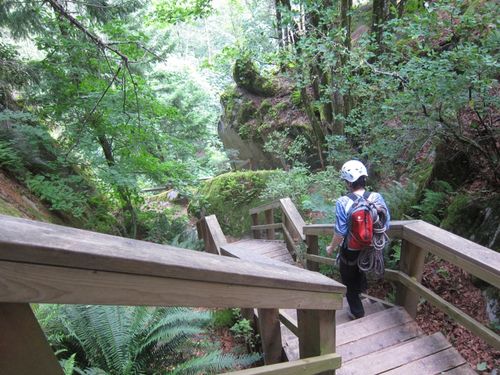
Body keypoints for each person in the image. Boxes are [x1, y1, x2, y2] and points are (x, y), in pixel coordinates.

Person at [326, 160, 390, 319]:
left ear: (348, 182)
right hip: (372, 248)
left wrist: (331, 248)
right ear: (364, 178)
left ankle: (357, 312)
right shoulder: (377, 197)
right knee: (361, 270)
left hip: (351, 250)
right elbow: (386, 224)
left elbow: (340, 232)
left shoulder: (343, 202)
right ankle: (361, 294)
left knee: (348, 277)